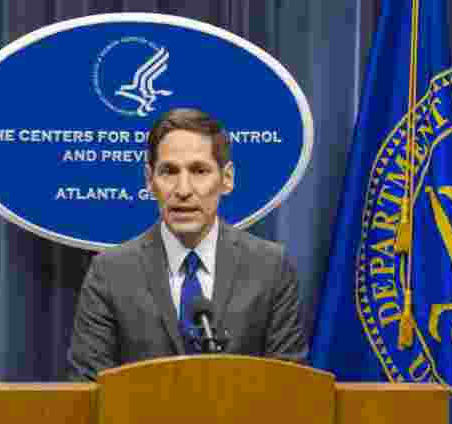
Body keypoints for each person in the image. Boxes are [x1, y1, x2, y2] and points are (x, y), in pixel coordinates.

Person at [66, 108, 308, 381]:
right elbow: (88, 389)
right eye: (169, 171)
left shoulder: (269, 267)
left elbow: (290, 388)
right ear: (149, 180)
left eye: (199, 170)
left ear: (226, 179)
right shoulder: (110, 272)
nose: (183, 190)